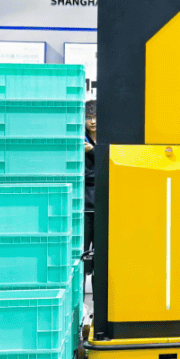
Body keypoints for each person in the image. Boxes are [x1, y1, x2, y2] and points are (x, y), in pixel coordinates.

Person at [83, 101, 96, 277]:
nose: (92, 121)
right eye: (88, 117)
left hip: (103, 204)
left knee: (101, 254)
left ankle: (98, 292)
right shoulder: (80, 140)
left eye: (95, 117)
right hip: (85, 206)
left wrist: (93, 151)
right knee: (84, 252)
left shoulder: (108, 138)